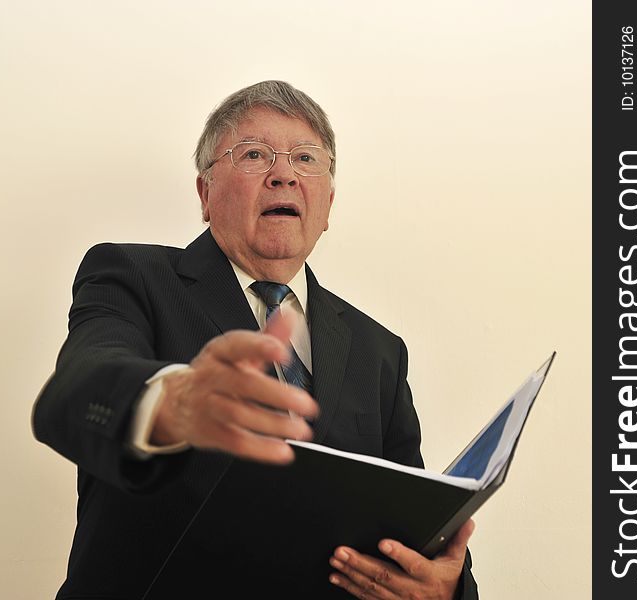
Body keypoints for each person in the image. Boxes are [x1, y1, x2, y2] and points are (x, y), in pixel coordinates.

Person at [32, 80, 478, 599]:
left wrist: (446, 590)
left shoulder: (379, 349)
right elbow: (73, 394)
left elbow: (413, 515)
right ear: (204, 193)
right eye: (254, 154)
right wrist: (169, 400)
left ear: (328, 205)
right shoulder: (132, 275)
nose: (284, 174)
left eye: (306, 158)